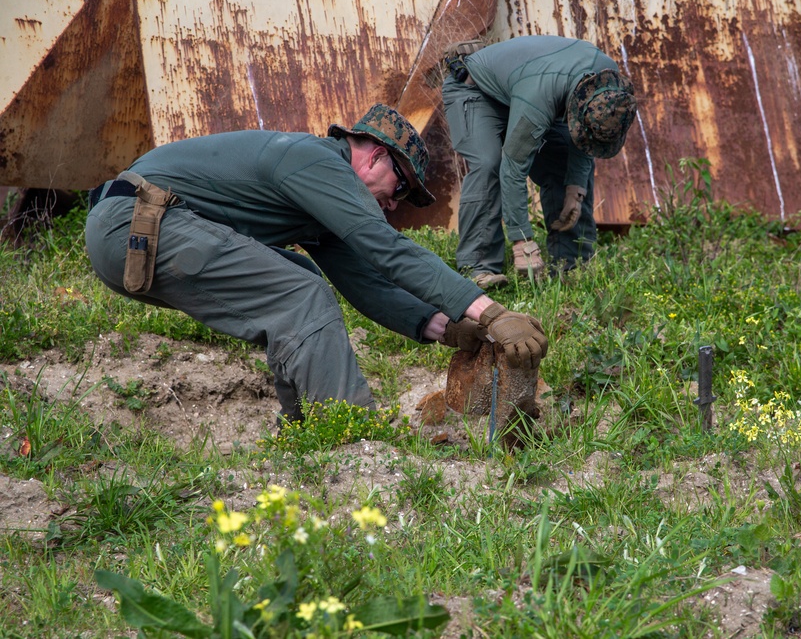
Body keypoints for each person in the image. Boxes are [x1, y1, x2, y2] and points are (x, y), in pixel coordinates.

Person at [85, 103, 548, 422]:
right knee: (301, 296)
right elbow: (387, 249)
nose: (395, 204)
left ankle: (306, 429)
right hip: (138, 223)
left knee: (301, 277)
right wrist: (492, 313)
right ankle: (352, 437)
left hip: (138, 234)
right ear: (376, 157)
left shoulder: (319, 199)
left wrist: (445, 326)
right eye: (400, 187)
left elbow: (366, 281)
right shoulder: (314, 161)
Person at [441, 35, 637, 289]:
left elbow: (585, 138)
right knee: (489, 163)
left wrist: (575, 191)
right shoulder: (540, 97)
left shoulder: (608, 85)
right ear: (578, 108)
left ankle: (571, 264)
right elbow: (512, 167)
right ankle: (479, 268)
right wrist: (522, 239)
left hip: (527, 88)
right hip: (475, 89)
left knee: (564, 160)